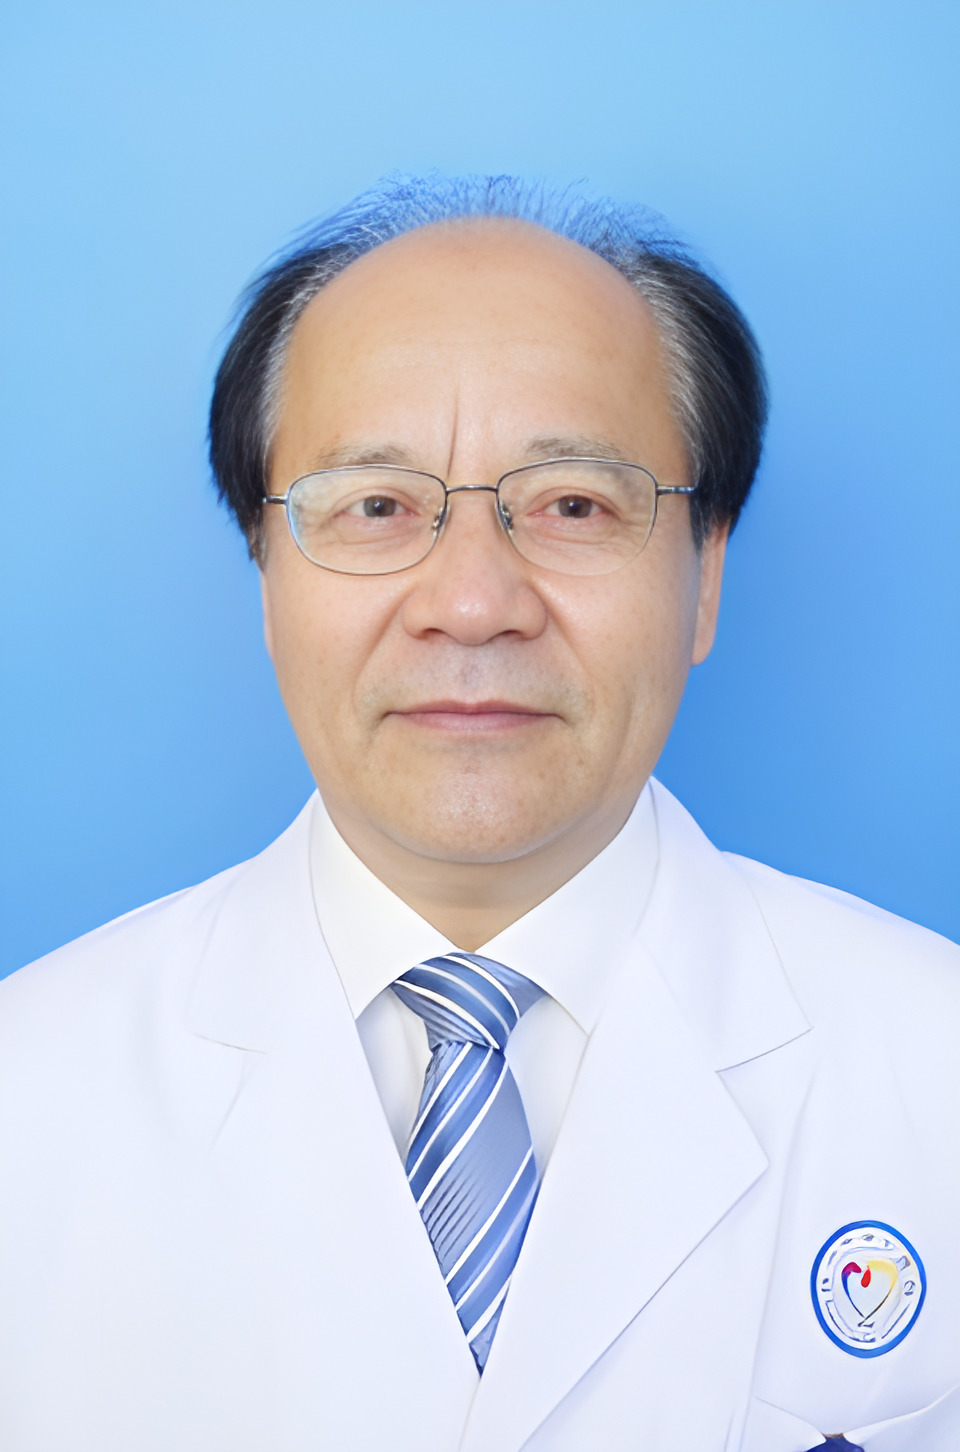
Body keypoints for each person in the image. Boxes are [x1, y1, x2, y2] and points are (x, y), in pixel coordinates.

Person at [1, 175, 957, 1452]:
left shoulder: (934, 1064)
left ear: (706, 576)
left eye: (574, 506)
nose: (471, 604)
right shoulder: (26, 1092)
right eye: (376, 507)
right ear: (267, 572)